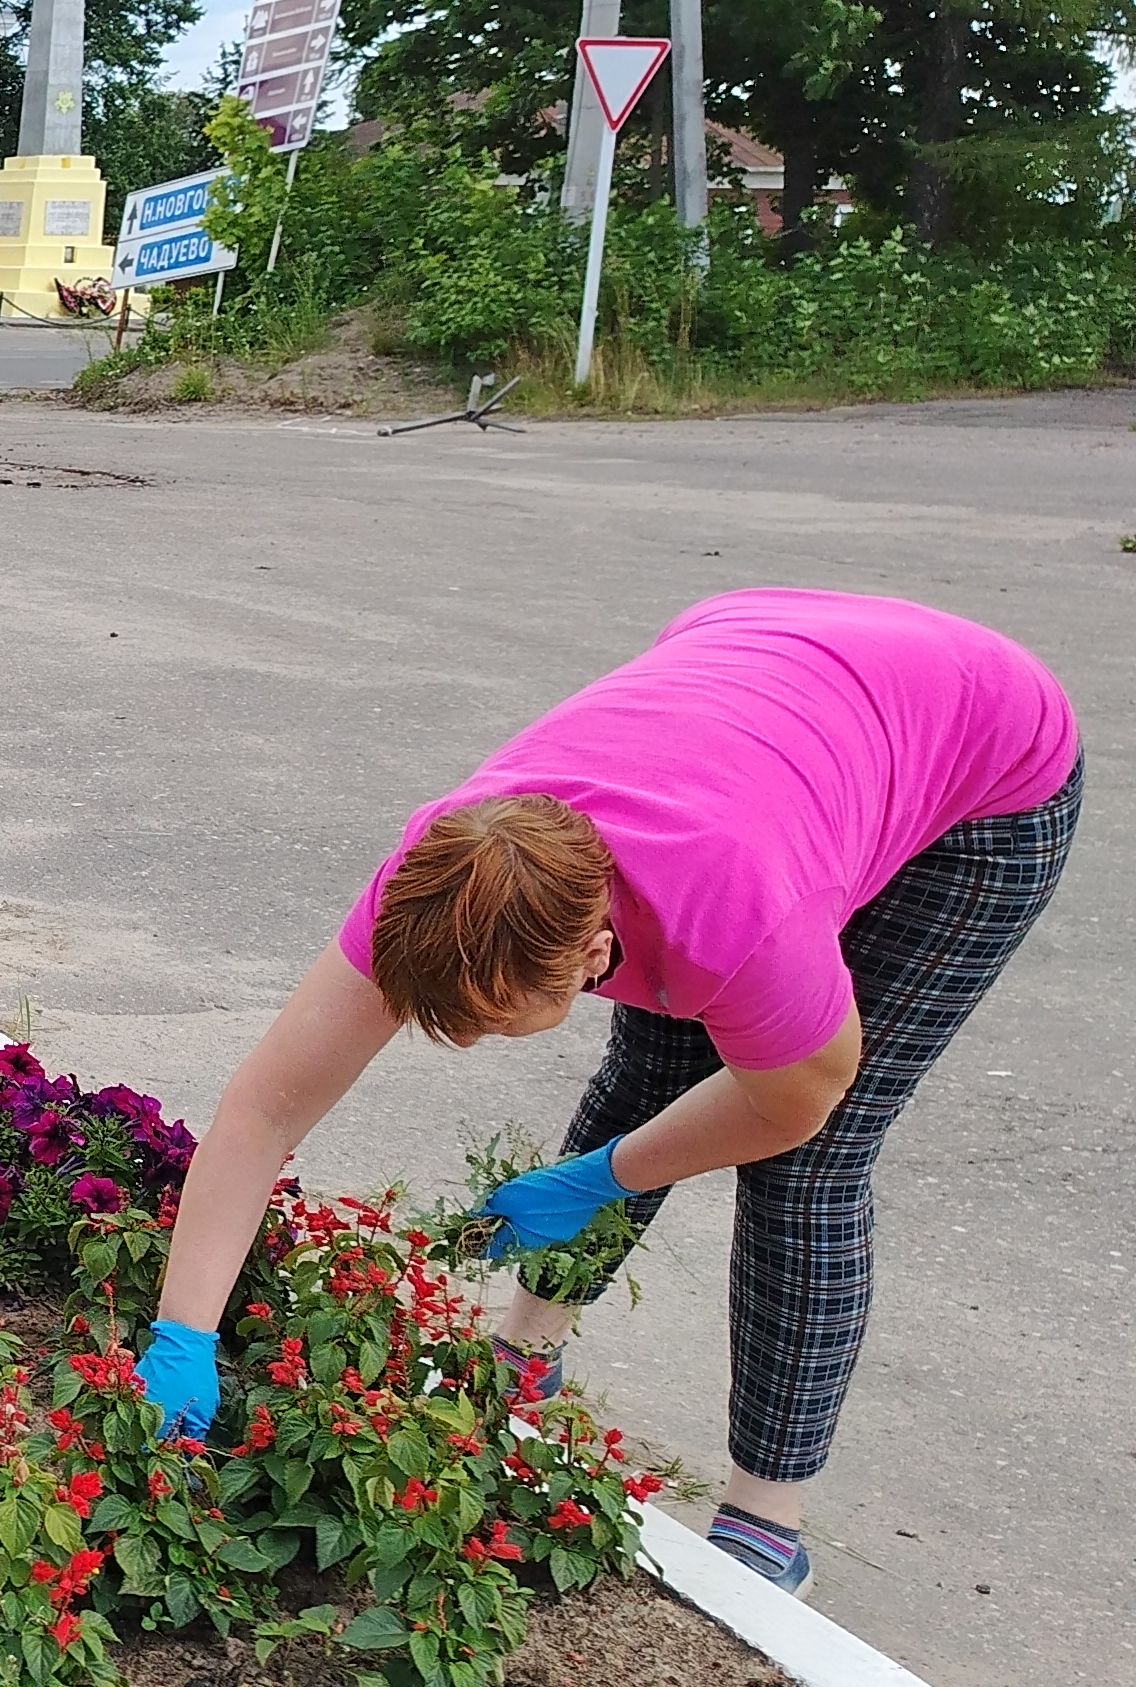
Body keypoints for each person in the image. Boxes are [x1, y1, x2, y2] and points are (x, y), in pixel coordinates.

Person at [131, 590, 1079, 1594]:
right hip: (752, 662)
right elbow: (265, 1106)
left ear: (594, 951)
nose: (482, 1043)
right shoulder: (440, 873)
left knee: (808, 1166)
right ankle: (525, 1355)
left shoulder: (740, 918)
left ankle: (767, 1516)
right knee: (649, 1077)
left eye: (501, 1018)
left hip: (984, 757)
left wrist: (601, 1174)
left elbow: (799, 1100)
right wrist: (182, 1331)